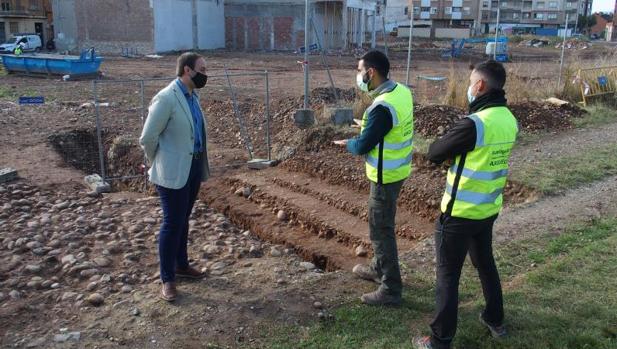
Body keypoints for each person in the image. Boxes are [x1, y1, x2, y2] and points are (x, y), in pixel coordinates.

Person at [412, 60, 518, 349]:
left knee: (447, 275)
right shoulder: (508, 119)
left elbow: (435, 152)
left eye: (471, 81)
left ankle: (439, 340)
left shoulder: (475, 123)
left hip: (459, 214)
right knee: (485, 264)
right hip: (488, 209)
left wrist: (446, 144)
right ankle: (495, 319)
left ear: (480, 86)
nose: (469, 87)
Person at [333, 50, 414, 306]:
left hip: (384, 176)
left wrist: (349, 143)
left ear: (371, 73)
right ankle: (379, 268)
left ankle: (390, 289)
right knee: (380, 224)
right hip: (397, 171)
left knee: (381, 230)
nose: (358, 76)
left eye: (359, 71)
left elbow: (362, 146)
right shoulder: (401, 91)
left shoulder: (381, 108)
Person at [139, 52, 211, 302]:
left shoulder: (192, 96)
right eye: (202, 68)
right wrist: (157, 162)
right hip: (172, 170)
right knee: (172, 223)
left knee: (183, 220)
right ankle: (167, 278)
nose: (206, 73)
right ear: (188, 71)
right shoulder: (167, 98)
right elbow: (148, 138)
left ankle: (182, 265)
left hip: (192, 168)